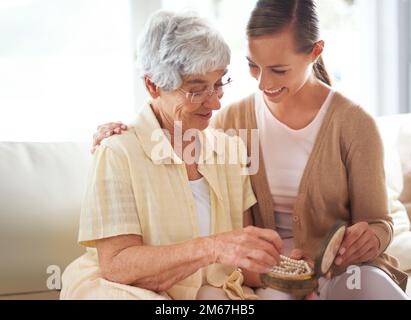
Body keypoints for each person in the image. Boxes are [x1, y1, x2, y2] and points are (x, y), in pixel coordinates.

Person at [94, 0, 409, 299]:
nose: (217, 102)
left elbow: (379, 222)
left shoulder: (349, 123)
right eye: (253, 67)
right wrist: (122, 136)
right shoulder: (223, 127)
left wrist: (304, 261)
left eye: (219, 84)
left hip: (332, 271)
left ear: (315, 53)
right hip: (249, 281)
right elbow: (165, 127)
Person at [61, 10, 284, 300]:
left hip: (212, 292)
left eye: (219, 84)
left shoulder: (229, 150)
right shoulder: (118, 152)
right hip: (129, 291)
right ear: (152, 85)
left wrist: (287, 268)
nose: (215, 103)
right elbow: (117, 266)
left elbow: (236, 261)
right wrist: (212, 247)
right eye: (197, 90)